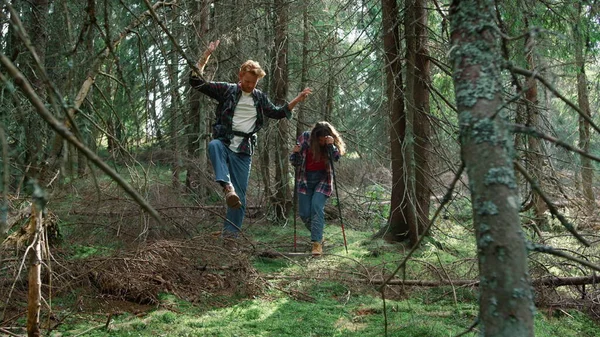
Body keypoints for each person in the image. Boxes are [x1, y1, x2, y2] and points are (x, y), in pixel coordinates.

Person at [190, 40, 313, 238]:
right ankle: (226, 186)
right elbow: (197, 82)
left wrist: (297, 99)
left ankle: (230, 237)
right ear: (240, 77)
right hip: (224, 142)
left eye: (253, 83)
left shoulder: (259, 98)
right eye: (247, 81)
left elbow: (278, 113)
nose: (249, 85)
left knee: (240, 197)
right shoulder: (227, 90)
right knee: (213, 145)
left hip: (244, 150)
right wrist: (206, 55)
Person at [290, 121, 346, 256]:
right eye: (319, 140)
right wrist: (295, 153)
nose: (321, 142)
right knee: (304, 214)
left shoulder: (329, 142)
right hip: (304, 179)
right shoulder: (305, 138)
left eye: (323, 139)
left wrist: (330, 145)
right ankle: (319, 234)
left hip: (323, 179)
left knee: (316, 206)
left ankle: (316, 243)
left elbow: (336, 158)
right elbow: (294, 162)